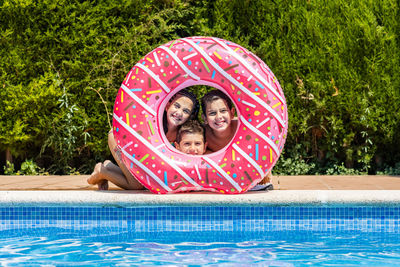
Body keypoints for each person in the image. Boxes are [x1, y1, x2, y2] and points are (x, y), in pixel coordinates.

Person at [87, 89, 199, 190]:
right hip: (120, 137)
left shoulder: (183, 134)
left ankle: (109, 167)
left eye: (185, 111)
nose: (179, 113)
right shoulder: (153, 123)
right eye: (177, 106)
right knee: (136, 185)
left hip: (134, 148)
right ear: (167, 106)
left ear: (190, 116)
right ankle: (102, 171)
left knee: (142, 181)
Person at [201, 90, 273, 191]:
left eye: (223, 111)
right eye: (212, 113)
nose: (219, 117)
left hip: (252, 175)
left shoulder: (242, 128)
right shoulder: (203, 134)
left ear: (232, 113)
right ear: (204, 118)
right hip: (222, 176)